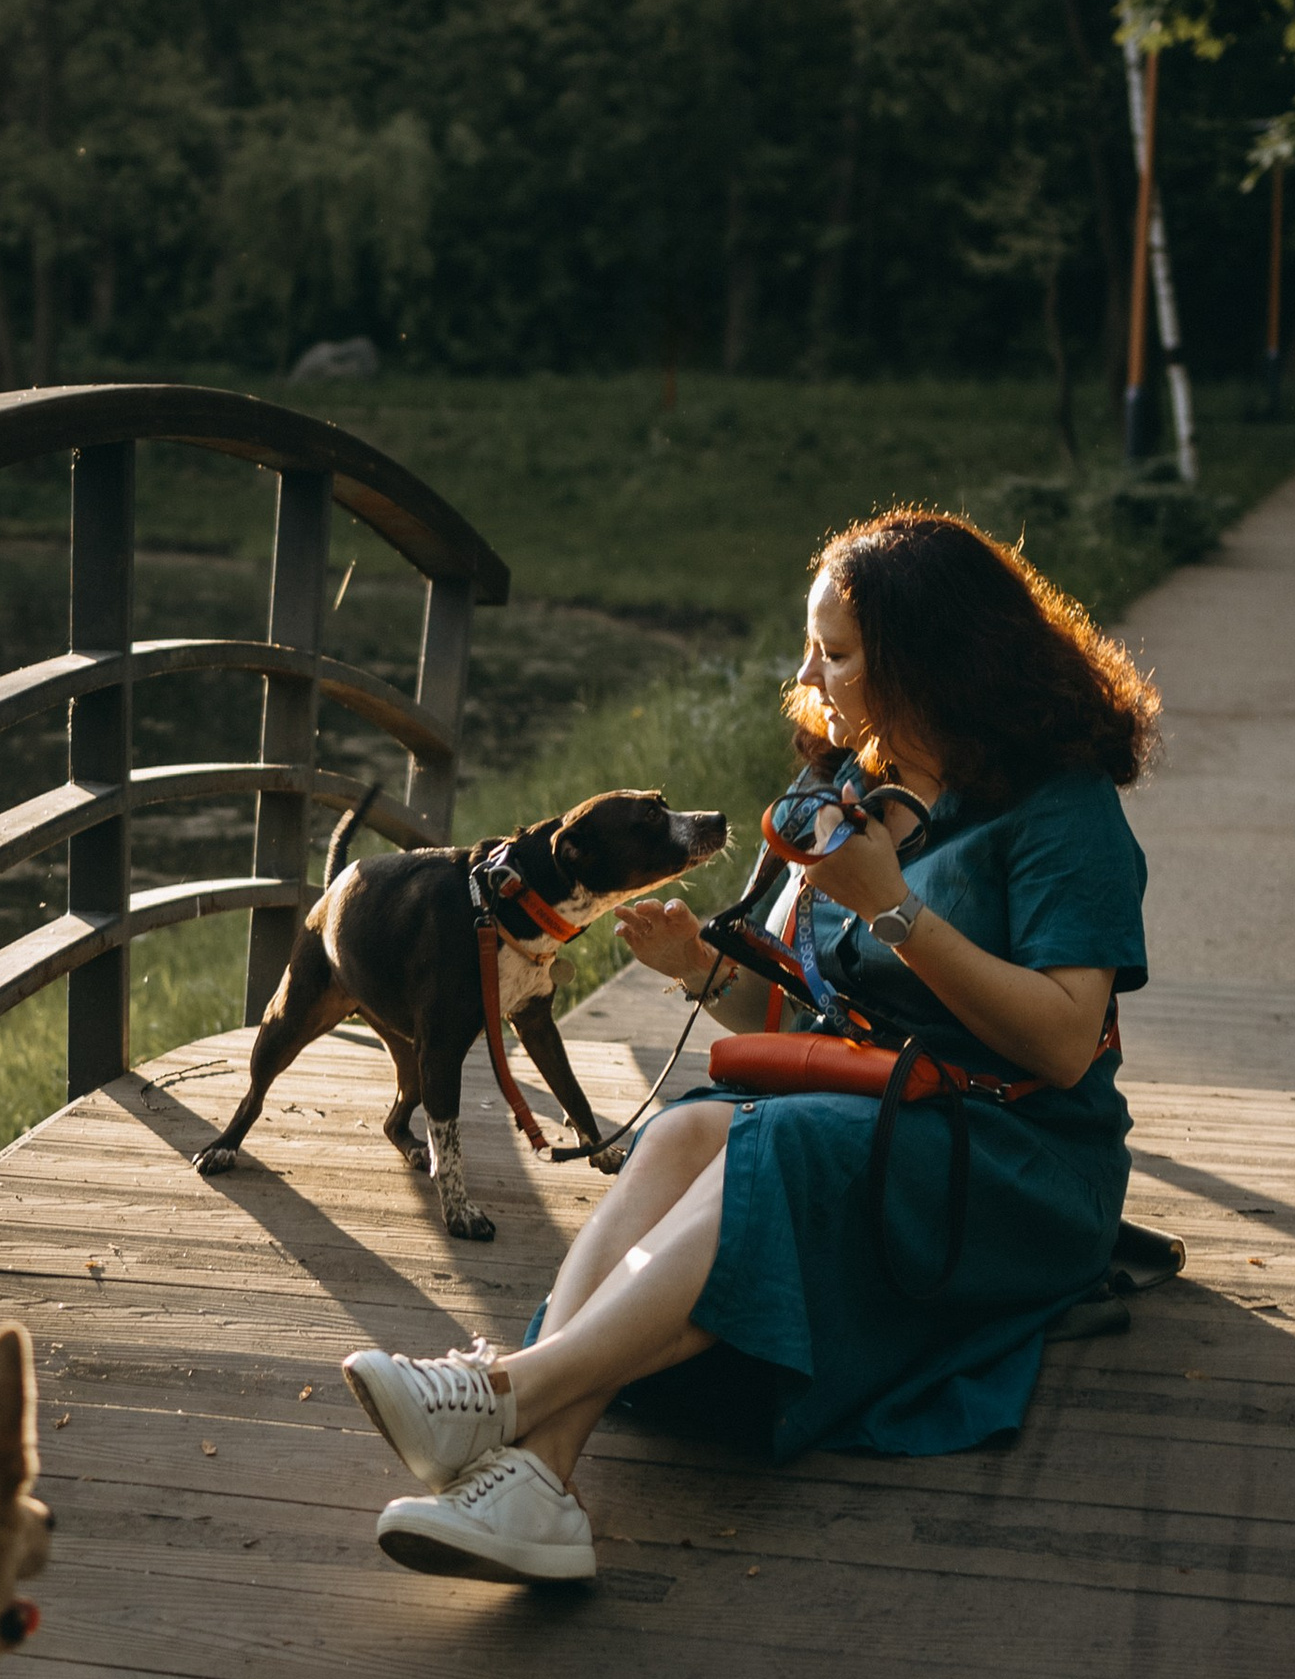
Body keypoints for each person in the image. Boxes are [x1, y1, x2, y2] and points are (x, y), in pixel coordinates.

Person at [341, 508, 1159, 1583]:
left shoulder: (1058, 807)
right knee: (685, 1131)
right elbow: (812, 1034)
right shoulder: (851, 796)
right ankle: (537, 1477)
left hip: (1021, 1157)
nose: (808, 673)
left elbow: (1060, 1046)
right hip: (888, 1112)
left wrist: (893, 912)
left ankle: (503, 1391)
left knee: (776, 1148)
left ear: (926, 658)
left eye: (835, 651)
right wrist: (701, 972)